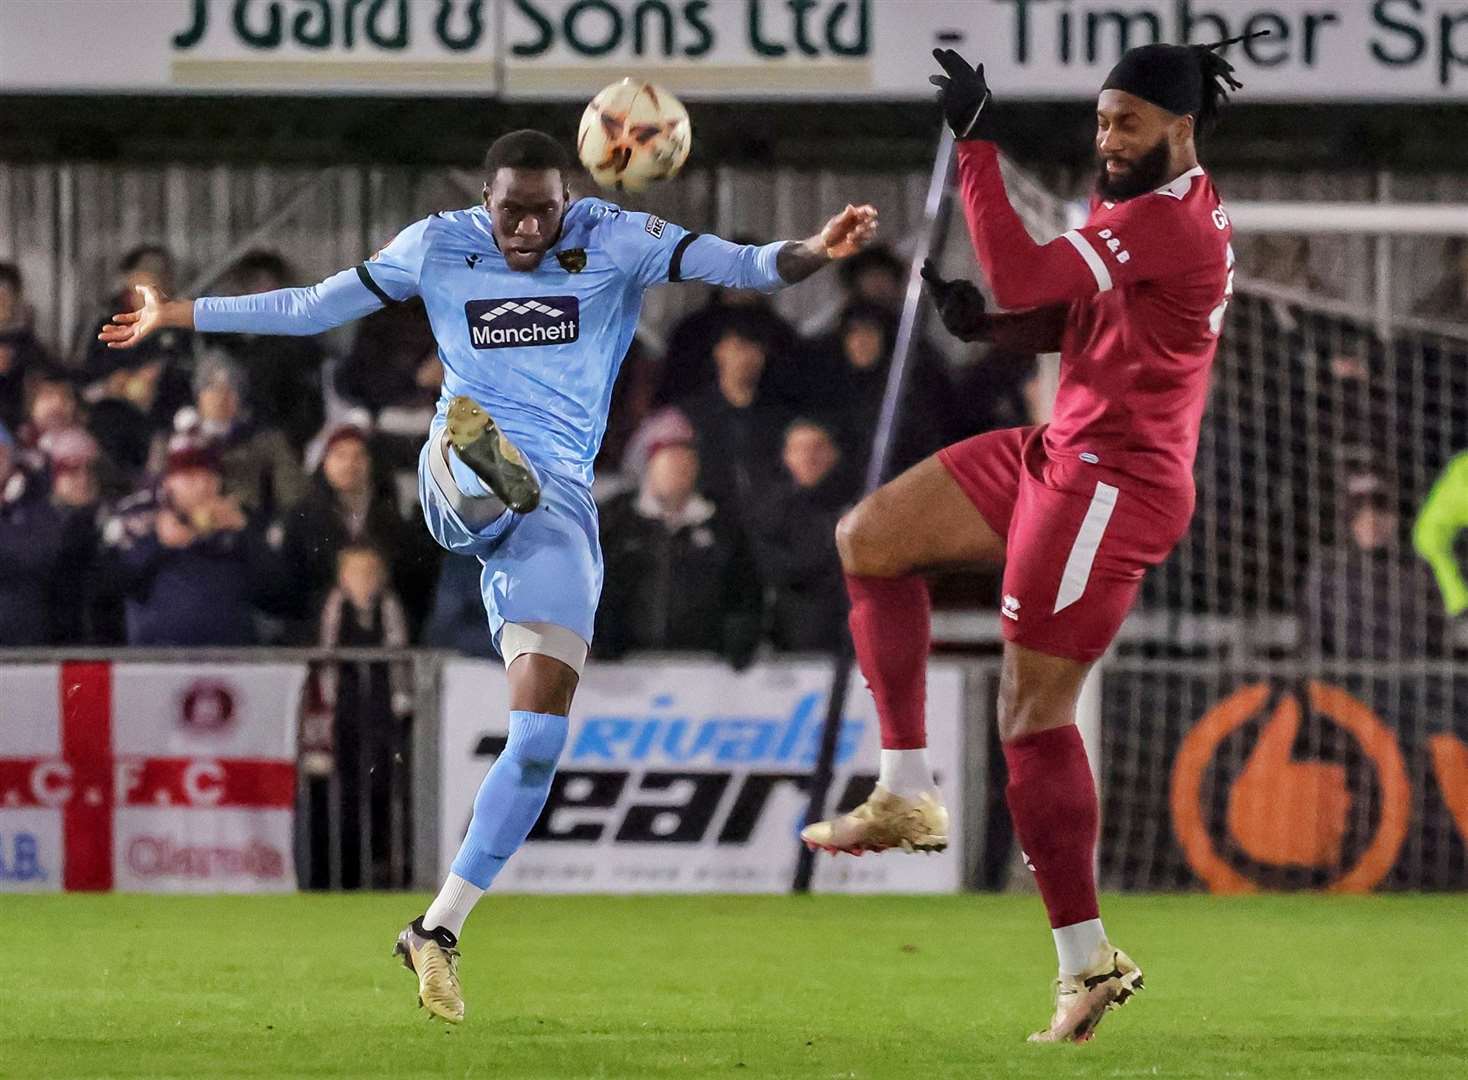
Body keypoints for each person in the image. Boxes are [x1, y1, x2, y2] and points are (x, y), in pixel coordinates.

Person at [98, 127, 878, 1024]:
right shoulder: (438, 243)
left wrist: (815, 250)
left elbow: (741, 265)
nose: (528, 227)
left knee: (541, 738)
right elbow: (315, 305)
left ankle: (437, 929)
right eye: (511, 209)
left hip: (556, 515)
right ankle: (486, 468)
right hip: (461, 466)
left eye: (544, 210)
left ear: (565, 199)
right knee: (482, 442)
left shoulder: (615, 236)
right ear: (485, 195)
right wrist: (178, 313)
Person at [799, 42, 1246, 1042]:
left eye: (1124, 122)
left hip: (1112, 485)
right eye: (1098, 120)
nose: (1106, 139)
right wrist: (995, 333)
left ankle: (1085, 963)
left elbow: (1016, 264)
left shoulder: (1172, 219)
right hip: (1061, 449)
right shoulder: (1136, 201)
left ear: (1179, 127)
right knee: (869, 538)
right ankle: (907, 788)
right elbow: (1074, 316)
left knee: (1029, 718)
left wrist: (975, 142)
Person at [596, 435, 761, 664]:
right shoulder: (616, 521)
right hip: (625, 665)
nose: (678, 473)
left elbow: (745, 590)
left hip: (703, 665)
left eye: (685, 466)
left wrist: (738, 641)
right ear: (651, 470)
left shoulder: (723, 526)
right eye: (669, 466)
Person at [99, 444, 284, 646]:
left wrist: (245, 533)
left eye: (209, 477)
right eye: (190, 478)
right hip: (159, 655)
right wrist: (161, 545)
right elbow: (117, 585)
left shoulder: (239, 517)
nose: (202, 486)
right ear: (169, 483)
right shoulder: (141, 518)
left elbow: (277, 590)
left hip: (231, 656)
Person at [1303, 472, 1445, 660]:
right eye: (1358, 511)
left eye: (1381, 510)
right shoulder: (1327, 570)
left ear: (1395, 518)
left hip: (1408, 680)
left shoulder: (1418, 570)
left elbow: (1434, 637)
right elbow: (1313, 639)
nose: (1371, 520)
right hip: (1343, 682)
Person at [675, 313, 794, 520]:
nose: (747, 356)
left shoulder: (779, 419)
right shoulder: (689, 415)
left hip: (767, 526)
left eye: (755, 348)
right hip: (703, 521)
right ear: (719, 351)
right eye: (739, 346)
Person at [751, 419, 856, 652]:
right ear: (785, 456)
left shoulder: (857, 507)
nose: (809, 457)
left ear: (834, 454)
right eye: (799, 449)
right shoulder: (768, 511)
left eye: (817, 448)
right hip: (787, 643)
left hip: (851, 642)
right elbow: (773, 568)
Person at [0, 262, 58, 431]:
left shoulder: (23, 339)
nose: (2, 299)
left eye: (7, 291)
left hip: (17, 429)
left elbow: (55, 371)